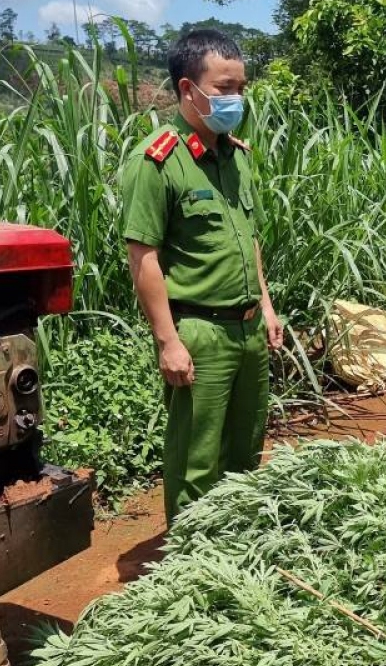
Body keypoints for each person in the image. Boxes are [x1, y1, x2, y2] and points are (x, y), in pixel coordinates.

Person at [120, 28, 283, 524]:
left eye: (242, 88)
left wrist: (267, 305)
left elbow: (247, 236)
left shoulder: (237, 156)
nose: (237, 98)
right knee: (197, 459)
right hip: (200, 331)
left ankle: (234, 550)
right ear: (189, 90)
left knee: (244, 453)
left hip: (249, 329)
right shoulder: (157, 161)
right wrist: (168, 341)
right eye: (225, 88)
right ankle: (192, 564)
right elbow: (143, 256)